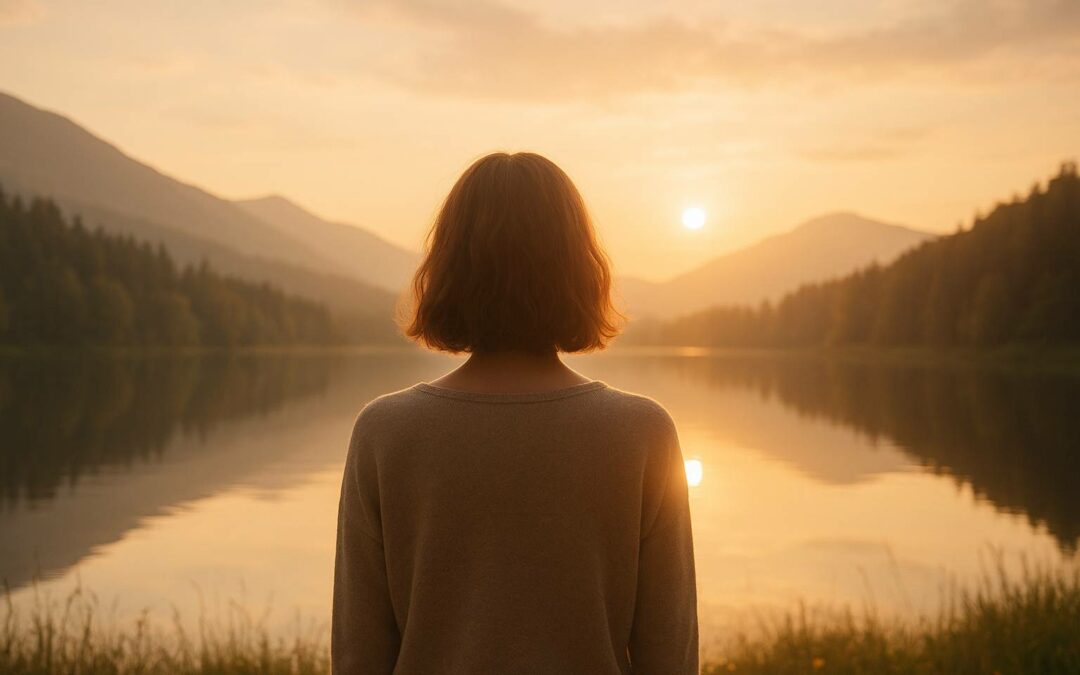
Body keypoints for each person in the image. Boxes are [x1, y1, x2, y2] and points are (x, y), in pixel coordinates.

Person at [332, 152, 698, 674]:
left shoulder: (385, 433)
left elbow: (357, 658)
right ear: (578, 269)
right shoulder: (642, 433)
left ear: (447, 270)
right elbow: (672, 660)